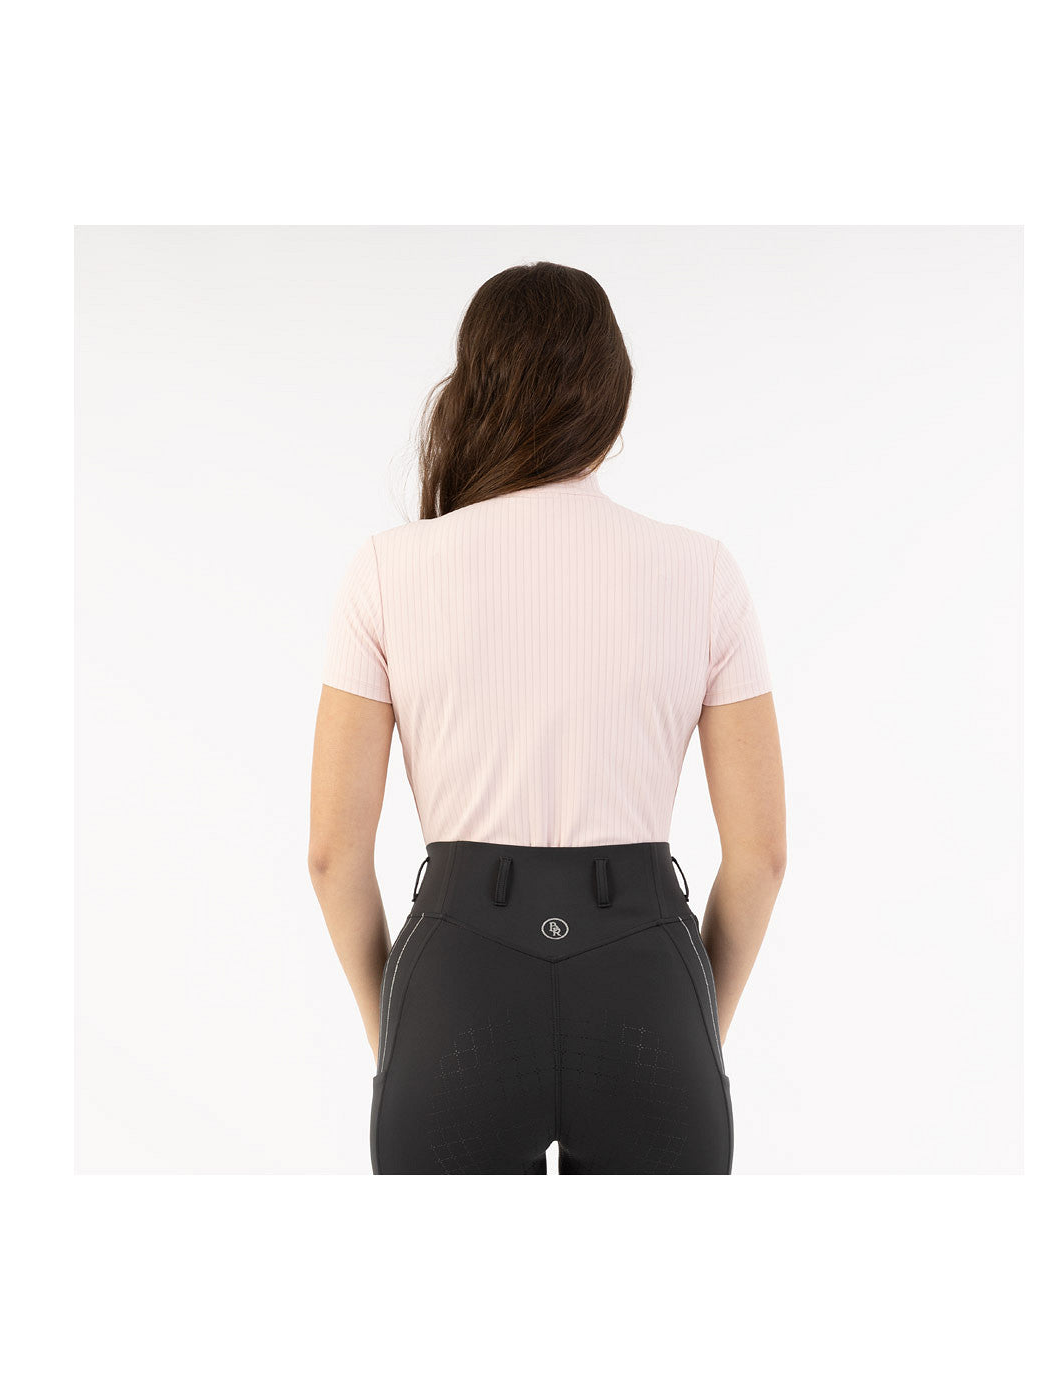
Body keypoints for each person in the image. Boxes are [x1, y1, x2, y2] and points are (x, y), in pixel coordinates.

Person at [308, 262, 787, 1174]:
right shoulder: (703, 573)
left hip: (455, 992)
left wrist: (404, 1034)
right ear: (613, 400)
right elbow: (762, 856)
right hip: (646, 990)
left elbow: (332, 854)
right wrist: (686, 1025)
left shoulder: (385, 571)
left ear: (473, 391)